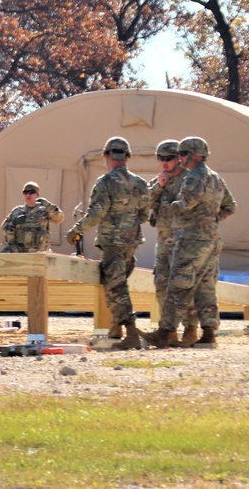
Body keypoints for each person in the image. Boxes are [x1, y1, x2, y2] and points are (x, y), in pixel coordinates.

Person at [143, 136, 236, 348]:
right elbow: (230, 206)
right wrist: (210, 221)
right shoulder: (215, 177)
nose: (176, 159)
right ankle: (208, 333)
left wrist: (174, 210)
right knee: (203, 286)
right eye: (161, 158)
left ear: (192, 155)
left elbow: (187, 203)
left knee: (179, 285)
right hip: (201, 238)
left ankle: (168, 331)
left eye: (179, 155)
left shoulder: (193, 177)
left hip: (189, 238)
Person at [66, 136, 150, 350]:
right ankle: (116, 327)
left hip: (112, 241)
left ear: (106, 156)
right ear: (127, 157)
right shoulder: (140, 183)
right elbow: (144, 214)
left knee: (116, 285)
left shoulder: (105, 182)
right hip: (132, 241)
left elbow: (96, 213)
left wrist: (76, 229)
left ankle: (131, 334)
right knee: (118, 283)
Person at [148, 139, 200, 345]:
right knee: (161, 284)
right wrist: (159, 187)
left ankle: (190, 328)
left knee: (185, 286)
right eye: (160, 159)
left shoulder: (190, 180)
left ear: (178, 158)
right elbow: (145, 203)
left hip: (184, 241)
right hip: (163, 241)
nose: (164, 163)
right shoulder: (159, 180)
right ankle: (168, 331)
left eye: (168, 158)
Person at [0, 181, 65, 253]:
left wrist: (49, 206)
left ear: (37, 195)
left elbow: (59, 219)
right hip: (20, 249)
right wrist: (13, 223)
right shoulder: (17, 211)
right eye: (25, 192)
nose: (28, 195)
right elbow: (3, 227)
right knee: (6, 252)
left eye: (31, 192)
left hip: (40, 249)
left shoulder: (45, 211)